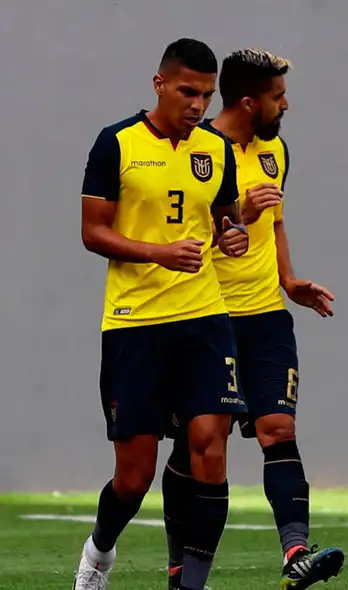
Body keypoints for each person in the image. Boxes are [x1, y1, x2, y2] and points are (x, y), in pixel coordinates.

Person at [156, 49, 344, 589]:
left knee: (278, 429)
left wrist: (289, 280)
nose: (286, 105)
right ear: (248, 101)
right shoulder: (199, 151)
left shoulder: (275, 149)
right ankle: (179, 565)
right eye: (278, 97)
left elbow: (277, 223)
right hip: (205, 316)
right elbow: (187, 231)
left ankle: (296, 555)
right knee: (196, 447)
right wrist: (241, 211)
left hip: (265, 316)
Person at [75, 38, 250, 590]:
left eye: (206, 94)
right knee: (134, 477)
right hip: (134, 323)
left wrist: (235, 235)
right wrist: (158, 253)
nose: (198, 104)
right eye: (187, 91)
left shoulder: (215, 149)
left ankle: (190, 585)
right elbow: (92, 231)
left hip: (203, 315)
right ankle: (99, 552)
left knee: (210, 447)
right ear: (159, 84)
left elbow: (225, 220)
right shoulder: (116, 143)